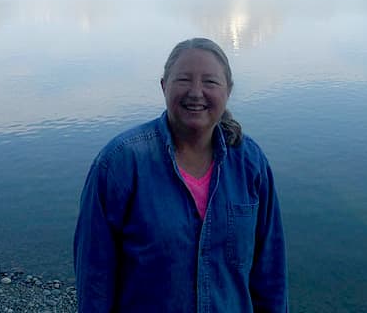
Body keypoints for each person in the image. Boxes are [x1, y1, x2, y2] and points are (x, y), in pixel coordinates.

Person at [74, 37, 288, 312]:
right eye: (184, 80)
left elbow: (270, 273)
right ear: (164, 86)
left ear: (228, 90)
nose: (196, 93)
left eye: (210, 82)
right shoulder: (120, 164)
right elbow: (94, 277)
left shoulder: (250, 163)